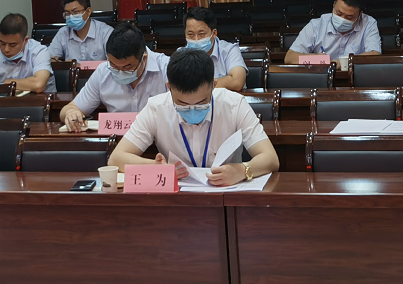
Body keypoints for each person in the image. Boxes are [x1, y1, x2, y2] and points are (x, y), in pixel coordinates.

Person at [110, 48, 280, 186]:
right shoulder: (156, 108)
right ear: (169, 87)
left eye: (201, 103)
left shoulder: (234, 104)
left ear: (213, 86)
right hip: (177, 198)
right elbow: (116, 159)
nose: (192, 110)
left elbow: (270, 158)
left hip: (226, 193)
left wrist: (242, 170)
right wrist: (157, 167)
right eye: (182, 104)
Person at [58, 23, 168, 131]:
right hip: (116, 139)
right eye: (114, 66)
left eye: (128, 67)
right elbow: (69, 109)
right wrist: (71, 113)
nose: (120, 72)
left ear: (144, 58)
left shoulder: (166, 69)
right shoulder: (103, 72)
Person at [286, 0, 381, 62]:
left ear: (360, 14)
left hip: (355, 77)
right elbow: (290, 57)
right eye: (339, 13)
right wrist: (316, 59)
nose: (343, 20)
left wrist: (343, 63)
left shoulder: (368, 23)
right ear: (334, 4)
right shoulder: (316, 25)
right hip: (322, 77)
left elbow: (374, 54)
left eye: (349, 17)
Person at [0, 13, 56, 93]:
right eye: (2, 43)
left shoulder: (39, 51)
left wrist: (7, 83)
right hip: (4, 101)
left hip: (40, 101)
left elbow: (39, 85)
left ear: (25, 41)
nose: (6, 49)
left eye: (12, 45)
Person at [183, 6, 247, 90]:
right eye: (190, 34)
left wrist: (197, 87)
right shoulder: (181, 55)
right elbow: (175, 85)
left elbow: (237, 82)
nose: (196, 39)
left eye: (201, 34)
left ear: (214, 33)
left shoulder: (229, 50)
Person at [47, 0, 113, 63]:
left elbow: (113, 63)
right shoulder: (63, 33)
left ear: (88, 11)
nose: (71, 16)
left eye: (75, 12)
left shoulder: (106, 32)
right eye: (67, 13)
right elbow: (49, 58)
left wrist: (81, 66)